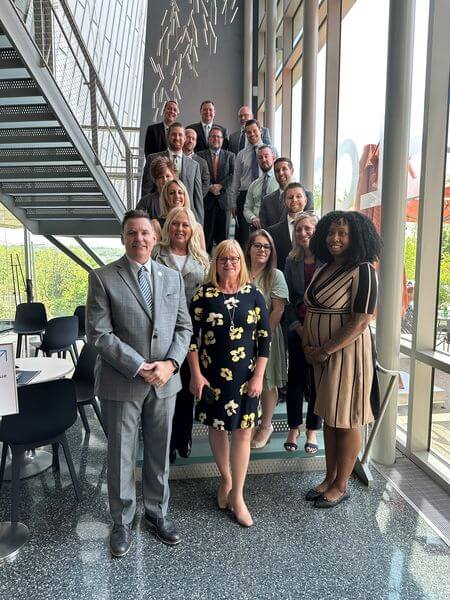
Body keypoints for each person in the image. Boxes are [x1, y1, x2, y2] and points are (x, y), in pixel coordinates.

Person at [86, 209, 192, 557]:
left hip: (164, 382)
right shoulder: (103, 278)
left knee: (159, 453)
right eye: (132, 233)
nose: (139, 238)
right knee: (121, 455)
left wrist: (172, 363)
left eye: (145, 232)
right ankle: (121, 521)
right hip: (122, 381)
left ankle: (157, 514)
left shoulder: (171, 277)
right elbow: (99, 334)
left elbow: (183, 328)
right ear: (123, 238)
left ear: (154, 235)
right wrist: (140, 365)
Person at [188, 240, 270, 527]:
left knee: (244, 433)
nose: (229, 264)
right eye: (223, 259)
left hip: (247, 378)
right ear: (215, 262)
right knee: (218, 429)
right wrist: (196, 374)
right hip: (213, 377)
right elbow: (190, 339)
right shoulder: (203, 294)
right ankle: (226, 479)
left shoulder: (254, 294)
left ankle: (238, 496)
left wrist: (259, 376)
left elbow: (265, 340)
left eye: (234, 258)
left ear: (241, 262)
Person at [303, 210, 381, 508]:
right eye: (331, 233)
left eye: (343, 233)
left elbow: (361, 322)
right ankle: (328, 477)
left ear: (356, 237)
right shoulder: (326, 267)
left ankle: (342, 484)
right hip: (321, 358)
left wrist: (323, 350)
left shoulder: (364, 270)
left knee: (346, 420)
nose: (335, 238)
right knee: (330, 417)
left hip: (347, 355)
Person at [153, 206, 209, 463]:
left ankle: (182, 437)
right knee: (166, 388)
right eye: (175, 224)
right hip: (163, 329)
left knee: (187, 387)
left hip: (194, 332)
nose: (180, 229)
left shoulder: (201, 258)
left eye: (185, 225)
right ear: (168, 227)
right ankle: (165, 441)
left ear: (192, 229)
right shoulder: (157, 254)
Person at [244, 230, 289, 449]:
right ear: (249, 248)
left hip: (267, 336)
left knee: (267, 381)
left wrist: (262, 338)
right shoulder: (239, 270)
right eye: (258, 245)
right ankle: (249, 422)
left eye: (266, 247)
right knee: (245, 380)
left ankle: (266, 425)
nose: (262, 250)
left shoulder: (276, 275)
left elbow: (278, 309)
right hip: (240, 339)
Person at [284, 212, 322, 454]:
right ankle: (294, 428)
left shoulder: (327, 261)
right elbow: (286, 297)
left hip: (320, 331)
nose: (302, 233)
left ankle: (312, 431)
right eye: (298, 229)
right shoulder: (291, 260)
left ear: (316, 231)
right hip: (297, 328)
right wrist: (296, 326)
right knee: (295, 379)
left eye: (307, 229)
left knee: (316, 382)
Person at [141, 123, 204, 224]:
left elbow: (197, 199)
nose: (177, 138)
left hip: (186, 219)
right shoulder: (152, 159)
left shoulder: (194, 165)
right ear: (168, 136)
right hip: (159, 216)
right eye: (174, 134)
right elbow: (146, 191)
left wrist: (199, 224)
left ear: (184, 138)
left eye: (180, 135)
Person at [229, 119, 266, 248]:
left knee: (264, 234)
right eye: (248, 132)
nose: (252, 134)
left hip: (264, 195)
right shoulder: (240, 155)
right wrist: (233, 203)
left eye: (254, 131)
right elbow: (235, 181)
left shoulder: (270, 151)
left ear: (260, 131)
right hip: (244, 197)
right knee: (245, 237)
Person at [197, 126, 235, 253]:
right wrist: (209, 187)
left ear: (223, 140)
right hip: (206, 201)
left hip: (223, 202)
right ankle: (205, 266)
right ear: (208, 139)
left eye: (218, 136)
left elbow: (233, 175)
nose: (216, 139)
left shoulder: (230, 156)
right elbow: (198, 176)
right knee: (205, 237)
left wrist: (221, 185)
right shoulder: (199, 155)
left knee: (223, 239)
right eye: (213, 136)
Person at [260, 158, 314, 229]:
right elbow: (264, 228)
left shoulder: (306, 196)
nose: (281, 173)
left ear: (292, 171)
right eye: (277, 171)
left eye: (284, 169)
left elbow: (309, 224)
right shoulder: (266, 200)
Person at [267, 182, 309, 271]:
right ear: (284, 202)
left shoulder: (316, 228)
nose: (294, 200)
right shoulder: (272, 232)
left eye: (298, 196)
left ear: (305, 200)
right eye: (290, 197)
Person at [154, 178, 206, 249]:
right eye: (172, 193)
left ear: (185, 196)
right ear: (165, 197)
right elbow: (154, 255)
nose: (177, 196)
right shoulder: (156, 225)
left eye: (180, 192)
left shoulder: (197, 227)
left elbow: (203, 257)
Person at [243, 145, 278, 230]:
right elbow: (247, 208)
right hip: (256, 227)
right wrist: (253, 218)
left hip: (274, 225)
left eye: (266, 156)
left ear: (273, 158)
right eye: (260, 158)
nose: (263, 160)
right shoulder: (254, 185)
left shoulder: (280, 180)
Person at [183, 128, 210, 198]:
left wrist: (196, 198)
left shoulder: (202, 162)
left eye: (193, 139)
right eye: (188, 137)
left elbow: (206, 184)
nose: (191, 141)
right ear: (182, 138)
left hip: (193, 203)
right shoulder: (174, 157)